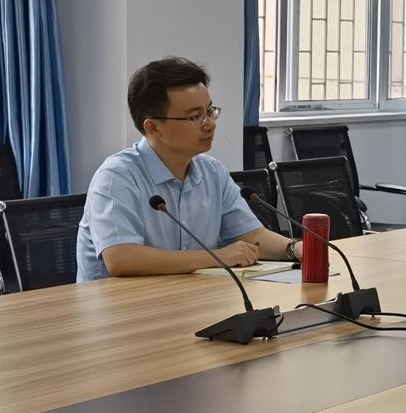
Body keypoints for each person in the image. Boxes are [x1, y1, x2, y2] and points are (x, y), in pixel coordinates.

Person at [74, 57, 299, 281]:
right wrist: (218, 257)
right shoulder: (117, 177)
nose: (209, 124)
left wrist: (295, 248)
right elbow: (122, 258)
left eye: (210, 112)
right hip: (124, 302)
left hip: (188, 296)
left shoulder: (212, 172)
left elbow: (251, 235)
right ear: (153, 127)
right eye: (195, 116)